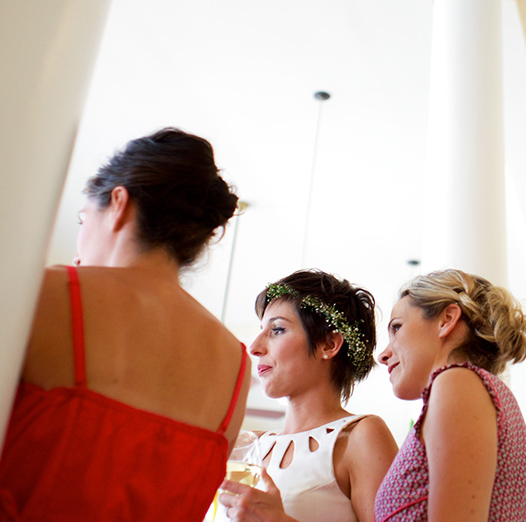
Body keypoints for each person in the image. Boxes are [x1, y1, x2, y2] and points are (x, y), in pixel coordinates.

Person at [0, 128, 251, 521]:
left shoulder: (50, 293)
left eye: (84, 218)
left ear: (118, 202)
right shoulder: (236, 363)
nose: (81, 242)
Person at [219, 270, 398, 522]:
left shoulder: (360, 436)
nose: (255, 347)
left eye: (277, 329)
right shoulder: (249, 445)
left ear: (329, 344)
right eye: (261, 329)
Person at [373, 269, 526, 522]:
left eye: (396, 327)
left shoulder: (457, 382)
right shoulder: (481, 392)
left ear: (447, 319)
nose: (383, 354)